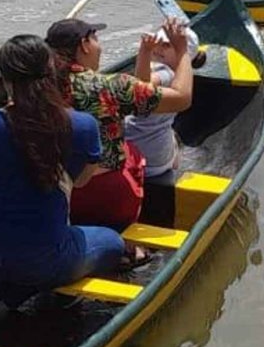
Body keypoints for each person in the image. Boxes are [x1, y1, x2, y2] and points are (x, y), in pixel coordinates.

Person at [0, 35, 140, 295]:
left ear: (5, 81)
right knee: (113, 242)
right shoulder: (82, 126)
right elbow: (81, 180)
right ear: (51, 73)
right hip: (48, 264)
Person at [46, 17, 194, 229]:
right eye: (95, 38)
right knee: (134, 154)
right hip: (108, 201)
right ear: (84, 46)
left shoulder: (36, 87)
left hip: (55, 194)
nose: (100, 46)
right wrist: (183, 52)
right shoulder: (112, 87)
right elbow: (181, 98)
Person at [125, 28, 206, 183]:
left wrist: (144, 51)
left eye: (167, 45)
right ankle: (173, 163)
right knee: (171, 134)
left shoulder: (166, 72)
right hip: (160, 153)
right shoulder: (181, 78)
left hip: (142, 154)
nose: (159, 48)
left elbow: (143, 85)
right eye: (158, 43)